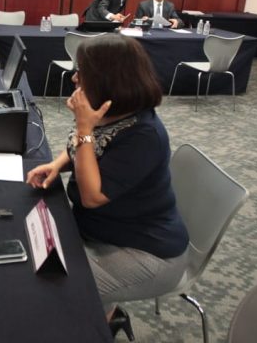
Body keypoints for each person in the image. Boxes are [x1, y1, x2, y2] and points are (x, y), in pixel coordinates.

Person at [25, 34, 189, 340]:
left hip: (148, 251)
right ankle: (106, 311)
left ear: (107, 79)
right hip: (107, 231)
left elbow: (91, 196)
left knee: (57, 290)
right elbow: (85, 148)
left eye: (82, 72)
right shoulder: (111, 111)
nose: (75, 77)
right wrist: (58, 164)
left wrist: (84, 127)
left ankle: (104, 321)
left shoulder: (144, 135)